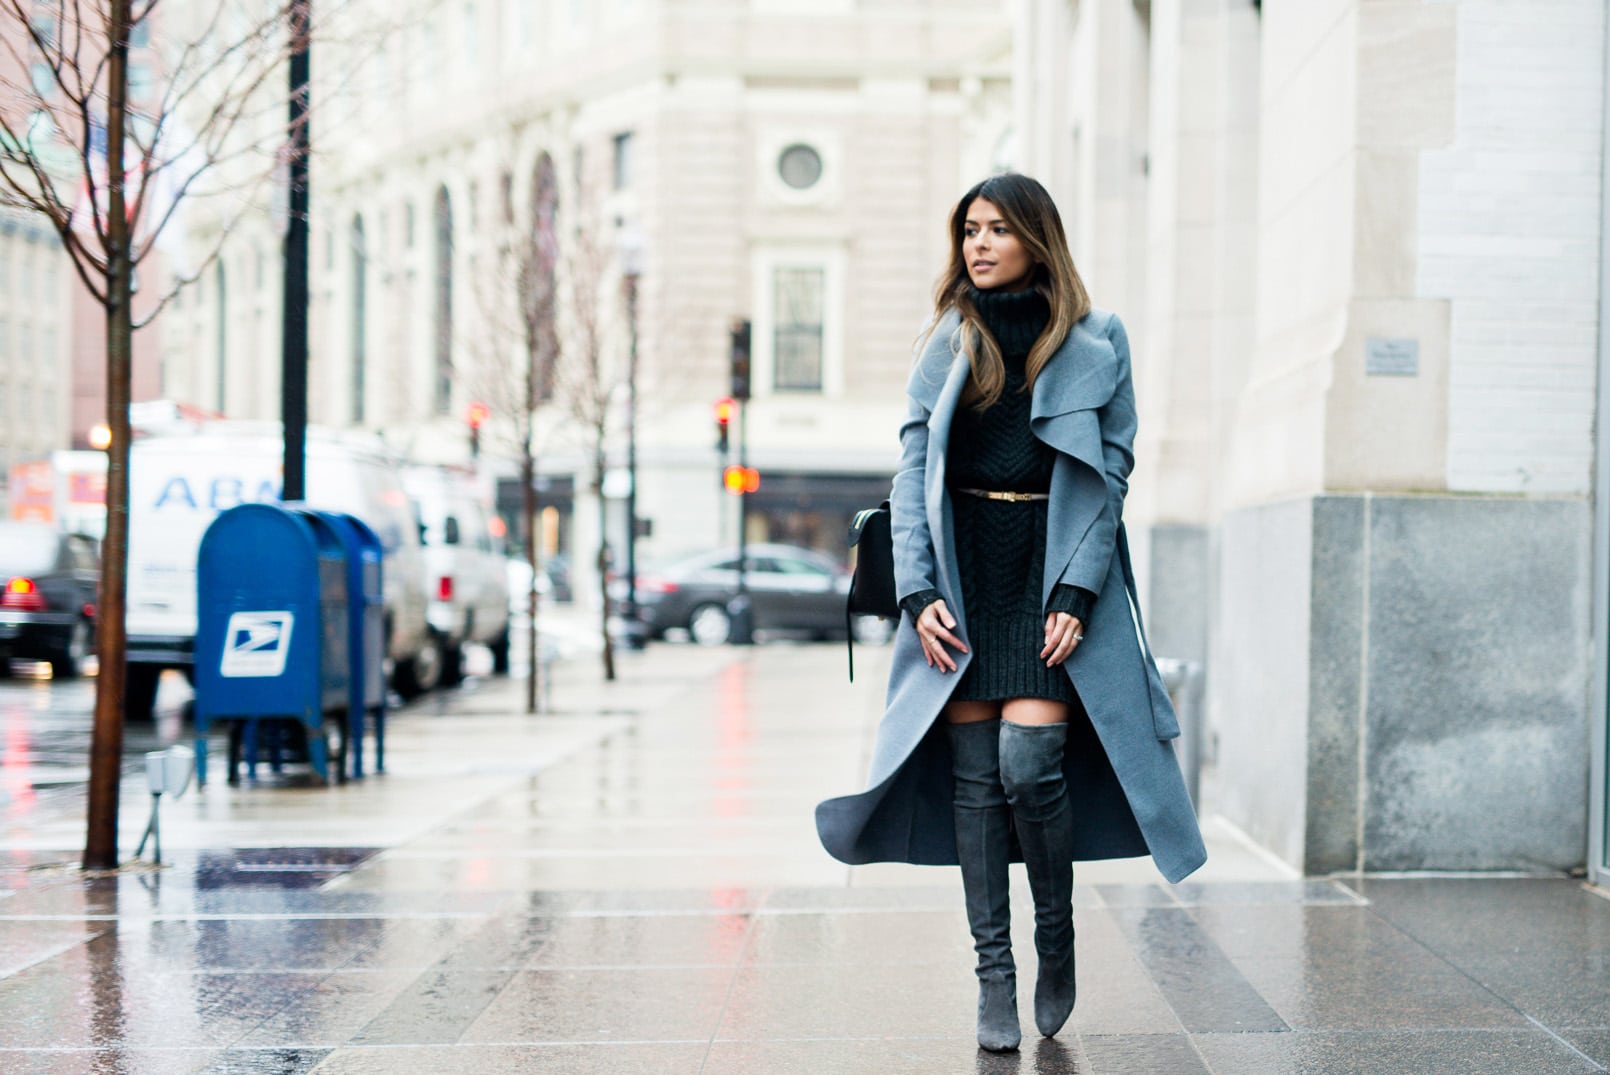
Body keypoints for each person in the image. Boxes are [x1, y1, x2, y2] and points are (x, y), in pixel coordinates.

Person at [815, 174, 1205, 1053]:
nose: (978, 245)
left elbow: (1111, 474)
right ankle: (994, 972)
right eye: (969, 231)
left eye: (996, 229)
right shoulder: (947, 341)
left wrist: (1078, 590)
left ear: (1037, 238)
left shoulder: (1098, 340)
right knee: (976, 787)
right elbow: (911, 482)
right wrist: (918, 592)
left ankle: (1054, 938)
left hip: (1048, 572)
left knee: (1031, 766)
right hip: (962, 580)